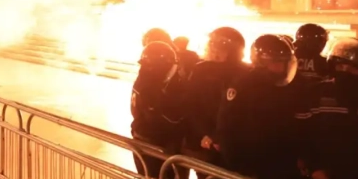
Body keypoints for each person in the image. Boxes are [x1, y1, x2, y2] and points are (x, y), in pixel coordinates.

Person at [215, 34, 305, 179]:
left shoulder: (293, 86)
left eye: (284, 62)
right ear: (260, 63)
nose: (281, 68)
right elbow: (227, 128)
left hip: (285, 164)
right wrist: (238, 166)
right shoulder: (243, 86)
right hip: (252, 165)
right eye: (276, 63)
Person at [182, 27, 249, 177]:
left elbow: (191, 106)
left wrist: (210, 135)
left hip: (220, 144)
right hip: (212, 143)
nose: (210, 48)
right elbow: (191, 106)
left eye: (214, 45)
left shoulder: (202, 70)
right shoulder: (245, 71)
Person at [298, 37, 358, 179]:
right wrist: (313, 167)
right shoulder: (315, 93)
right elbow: (301, 132)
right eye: (341, 67)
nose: (346, 71)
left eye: (353, 68)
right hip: (322, 171)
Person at [130, 41, 187, 179]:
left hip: (142, 138)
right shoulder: (150, 87)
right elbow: (164, 118)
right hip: (154, 144)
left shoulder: (143, 79)